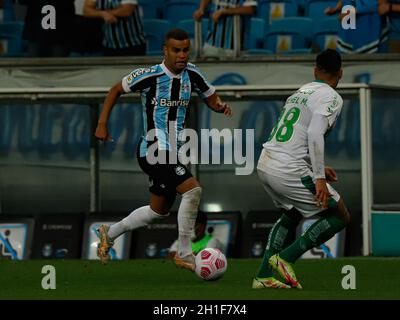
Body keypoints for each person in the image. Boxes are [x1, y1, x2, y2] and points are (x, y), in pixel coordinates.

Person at [94, 28, 232, 272]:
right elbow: (115, 89)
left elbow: (210, 95)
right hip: (153, 148)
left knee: (158, 211)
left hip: (173, 151)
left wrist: (218, 107)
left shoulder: (193, 74)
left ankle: (109, 233)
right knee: (193, 189)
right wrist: (102, 124)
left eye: (185, 50)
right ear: (165, 51)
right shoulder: (149, 75)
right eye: (176, 50)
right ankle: (185, 253)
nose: (181, 55)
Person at [252, 49, 350, 289]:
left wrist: (318, 167)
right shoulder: (332, 96)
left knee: (293, 212)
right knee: (340, 214)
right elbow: (315, 133)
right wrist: (317, 177)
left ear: (315, 71)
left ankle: (264, 276)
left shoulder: (300, 92)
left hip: (266, 162)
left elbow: (295, 138)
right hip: (287, 168)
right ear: (341, 73)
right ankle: (285, 258)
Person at [193, 0, 257, 57]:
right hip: (212, 45)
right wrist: (201, 9)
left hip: (236, 49)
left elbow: (250, 9)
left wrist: (223, 12)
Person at [325, 0, 389, 53]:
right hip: (346, 36)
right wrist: (335, 9)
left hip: (370, 35)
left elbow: (383, 3)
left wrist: (353, 11)